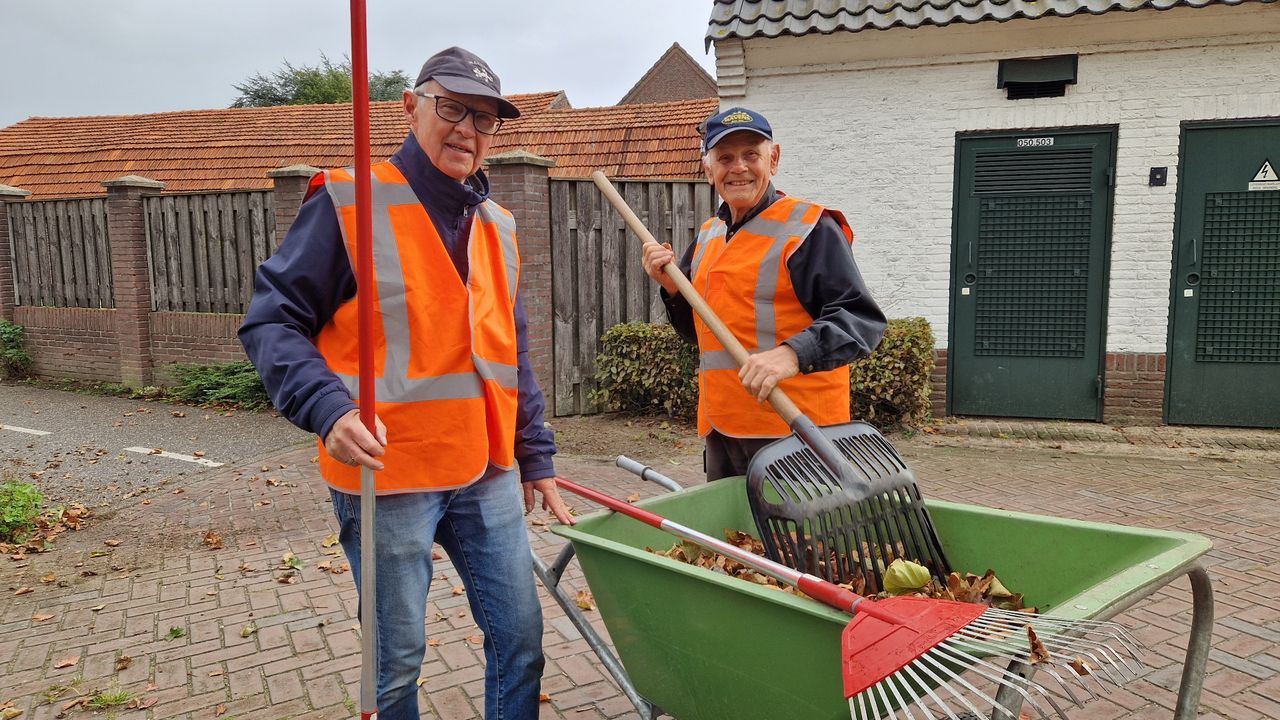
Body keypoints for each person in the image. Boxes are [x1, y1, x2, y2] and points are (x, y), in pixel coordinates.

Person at [239, 46, 572, 720]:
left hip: (486, 471)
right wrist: (328, 408)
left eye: (484, 119)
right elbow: (271, 321)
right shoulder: (348, 204)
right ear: (411, 106)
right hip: (387, 478)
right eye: (453, 108)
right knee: (394, 665)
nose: (467, 130)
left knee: (521, 641)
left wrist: (535, 455)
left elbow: (514, 353)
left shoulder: (498, 227)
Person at [642, 107, 887, 481]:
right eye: (725, 158)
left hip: (796, 433)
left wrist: (791, 354)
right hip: (725, 431)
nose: (738, 167)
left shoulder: (808, 228)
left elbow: (860, 320)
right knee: (733, 539)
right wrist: (674, 289)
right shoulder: (709, 237)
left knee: (799, 541)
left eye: (751, 155)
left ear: (773, 160)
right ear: (709, 171)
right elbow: (703, 334)